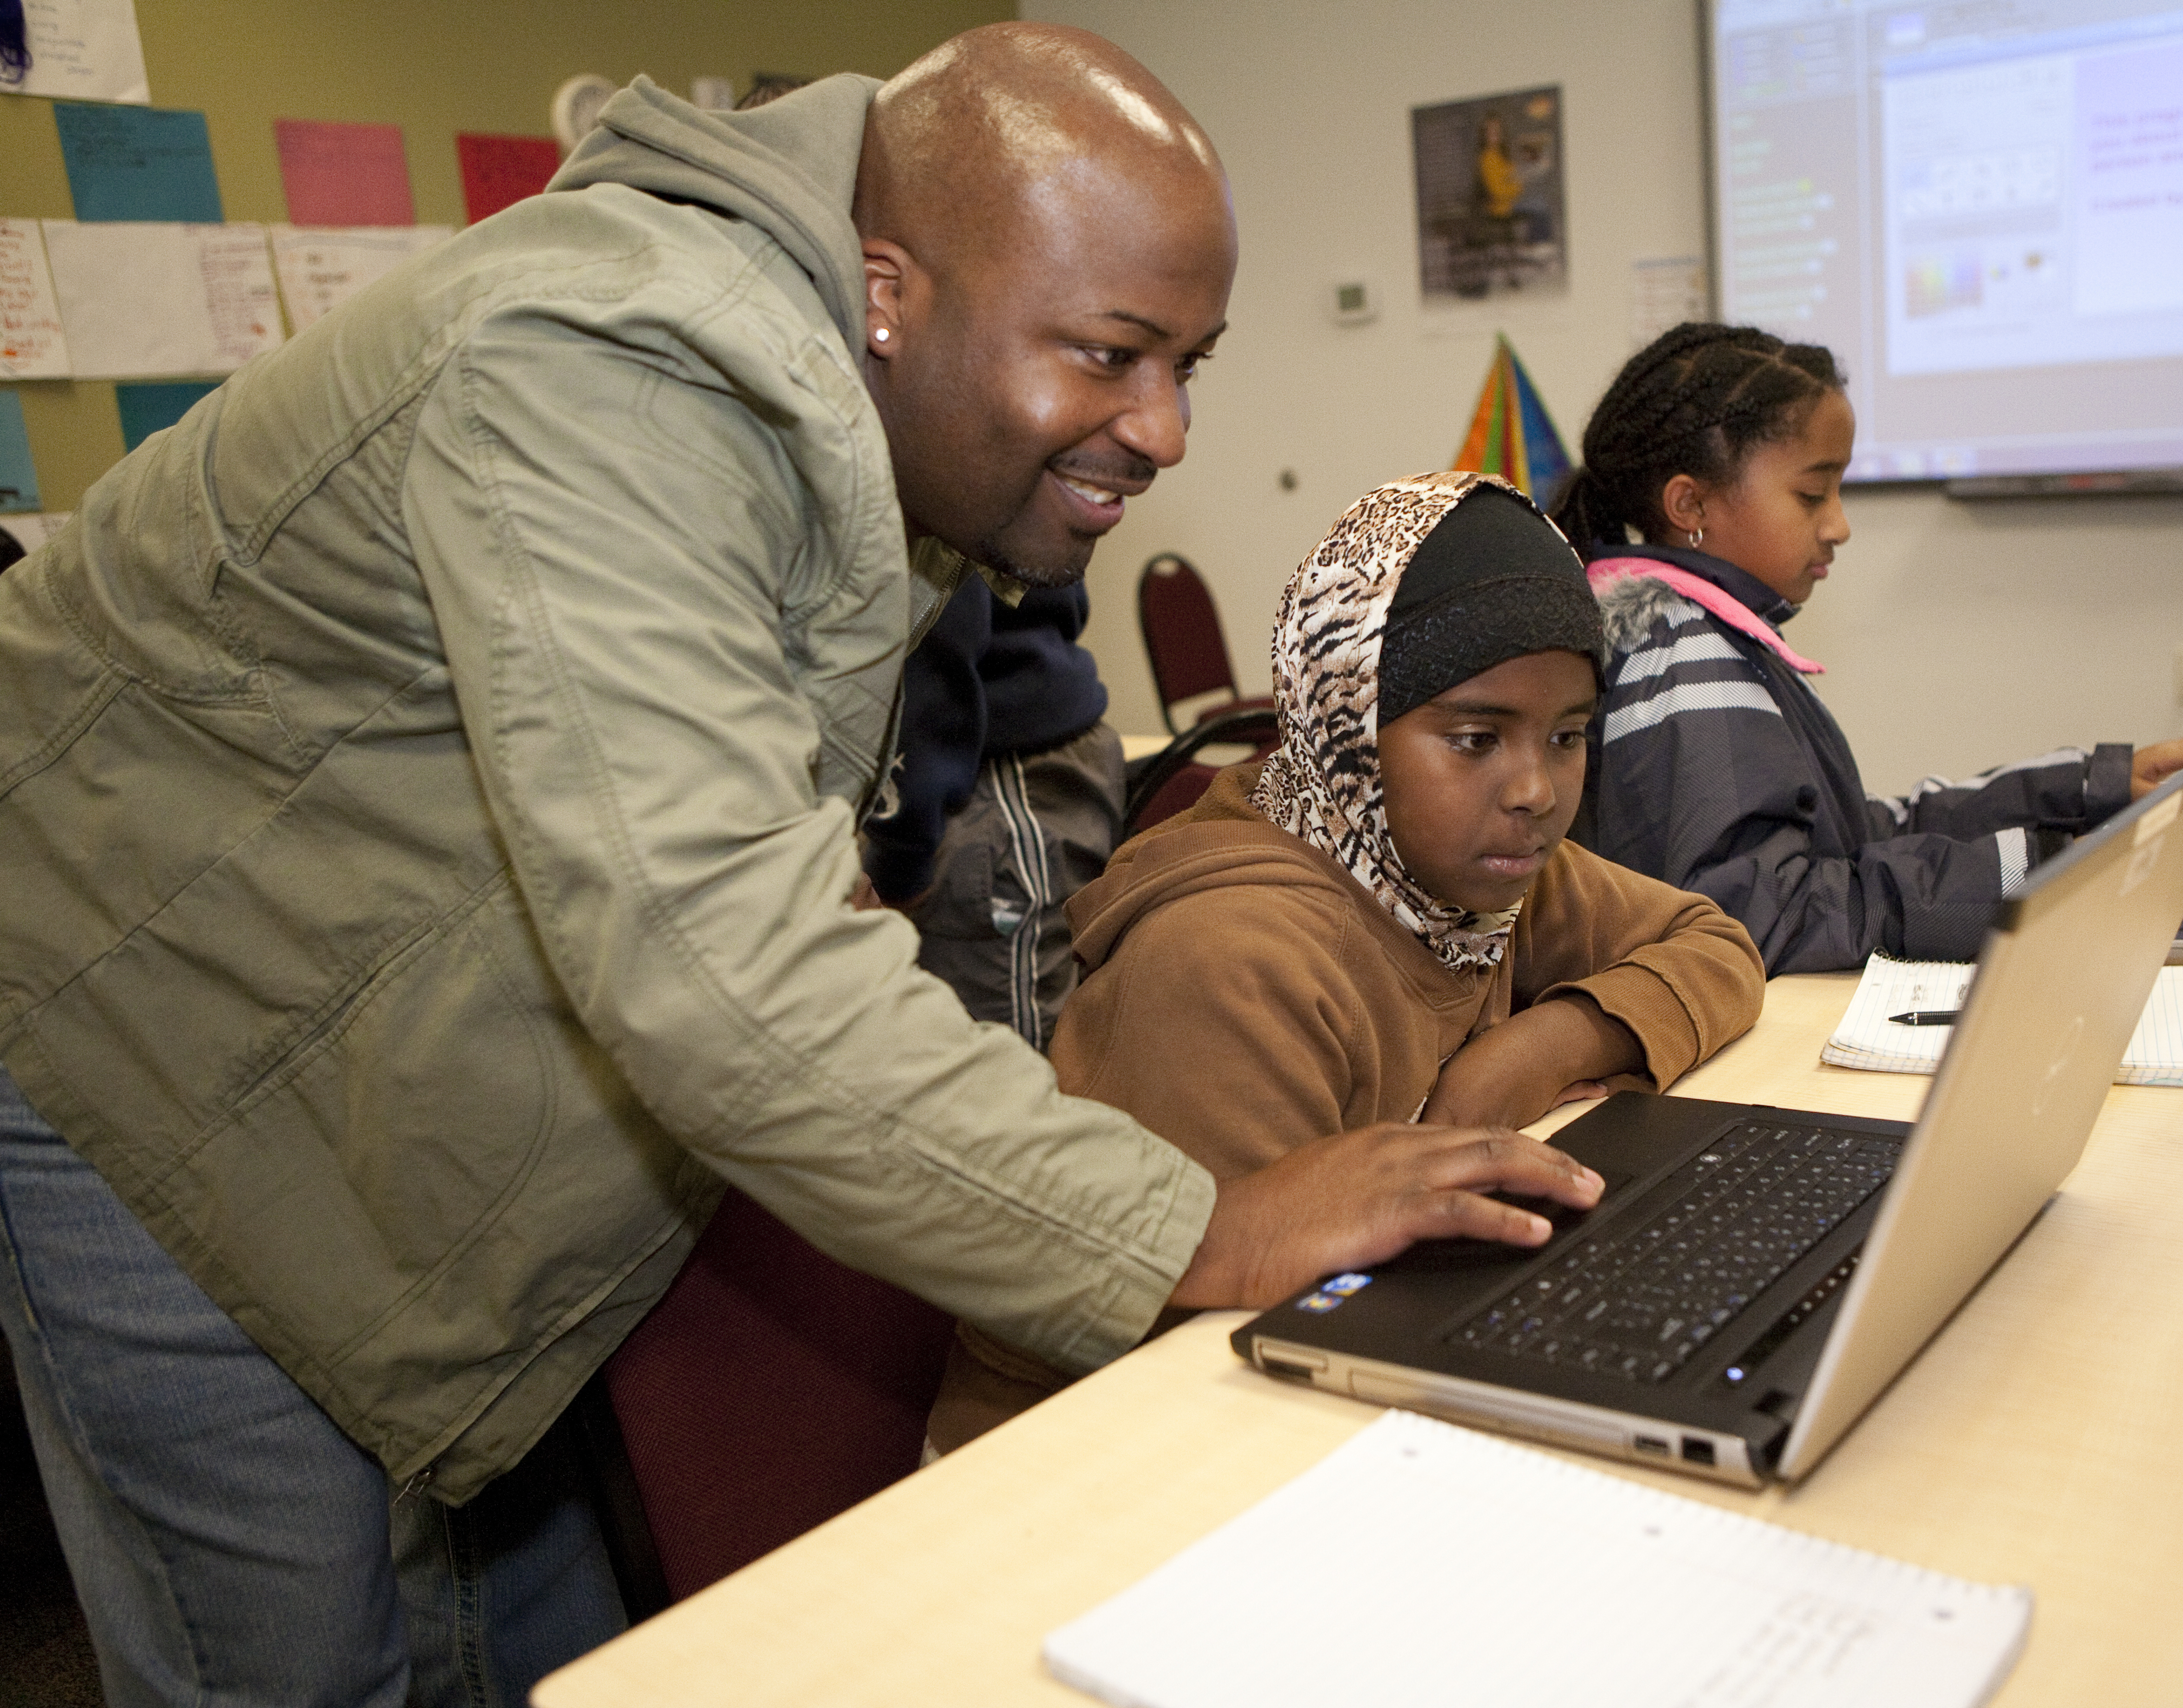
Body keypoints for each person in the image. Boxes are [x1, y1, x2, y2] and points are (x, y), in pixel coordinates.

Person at [0, 30, 1599, 1707]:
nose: (1167, 426)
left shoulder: (857, 405)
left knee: (549, 1656)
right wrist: (1196, 1226)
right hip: (143, 1074)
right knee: (295, 1666)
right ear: (888, 286)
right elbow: (718, 963)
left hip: (377, 1055)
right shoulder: (610, 370)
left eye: (1190, 360)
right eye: (1114, 354)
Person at [929, 473, 1766, 1449]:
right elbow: (1202, 1363)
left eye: (1569, 735)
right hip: (1068, 1468)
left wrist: (1529, 1053)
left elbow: (1714, 945)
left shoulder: (1459, 868)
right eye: (1474, 738)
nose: (1536, 788)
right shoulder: (1236, 961)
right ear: (1346, 730)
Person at [1553, 323, 2183, 975]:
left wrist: (2092, 786)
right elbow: (1761, 913)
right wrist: (2051, 873)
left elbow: (1856, 833)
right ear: (1690, 506)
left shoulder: (1703, 634)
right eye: (1812, 493)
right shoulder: (1681, 655)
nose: (1839, 525)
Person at [861, 576, 1121, 1049]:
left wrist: (901, 845)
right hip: (985, 761)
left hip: (987, 771)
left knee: (1010, 1074)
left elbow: (935, 613)